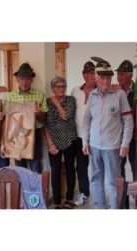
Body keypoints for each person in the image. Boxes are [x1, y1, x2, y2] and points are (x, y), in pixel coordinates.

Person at [82, 57, 133, 209]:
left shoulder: (120, 94)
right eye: (102, 77)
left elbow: (128, 121)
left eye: (108, 77)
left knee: (114, 181)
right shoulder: (92, 96)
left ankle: (115, 210)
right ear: (96, 78)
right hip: (94, 146)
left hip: (113, 147)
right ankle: (100, 208)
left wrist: (125, 144)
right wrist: (85, 141)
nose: (106, 81)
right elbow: (87, 120)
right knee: (96, 179)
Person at [1, 62, 48, 174]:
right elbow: (5, 120)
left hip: (34, 133)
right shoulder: (10, 96)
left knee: (35, 164)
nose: (25, 82)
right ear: (17, 79)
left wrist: (39, 113)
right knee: (19, 164)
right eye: (22, 78)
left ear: (32, 80)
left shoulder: (40, 94)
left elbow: (43, 119)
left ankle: (35, 191)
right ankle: (23, 190)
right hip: (15, 133)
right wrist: (4, 141)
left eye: (27, 79)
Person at [44, 76, 77, 209]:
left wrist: (57, 104)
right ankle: (57, 202)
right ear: (52, 88)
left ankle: (69, 199)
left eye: (63, 86)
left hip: (70, 140)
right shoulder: (46, 102)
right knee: (55, 171)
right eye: (58, 86)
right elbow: (45, 124)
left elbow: (65, 116)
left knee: (70, 170)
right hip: (54, 142)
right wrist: (50, 144)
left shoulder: (71, 100)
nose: (61, 89)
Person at [115, 60, 137, 183]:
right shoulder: (115, 91)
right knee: (119, 167)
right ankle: (123, 198)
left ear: (131, 75)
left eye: (122, 74)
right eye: (118, 74)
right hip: (118, 135)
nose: (119, 77)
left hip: (136, 135)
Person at [70, 61, 95, 206]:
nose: (90, 75)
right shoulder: (75, 91)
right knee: (81, 166)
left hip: (97, 137)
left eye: (93, 73)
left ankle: (99, 193)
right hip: (79, 136)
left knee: (99, 167)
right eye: (88, 73)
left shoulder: (102, 90)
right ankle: (84, 193)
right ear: (83, 75)